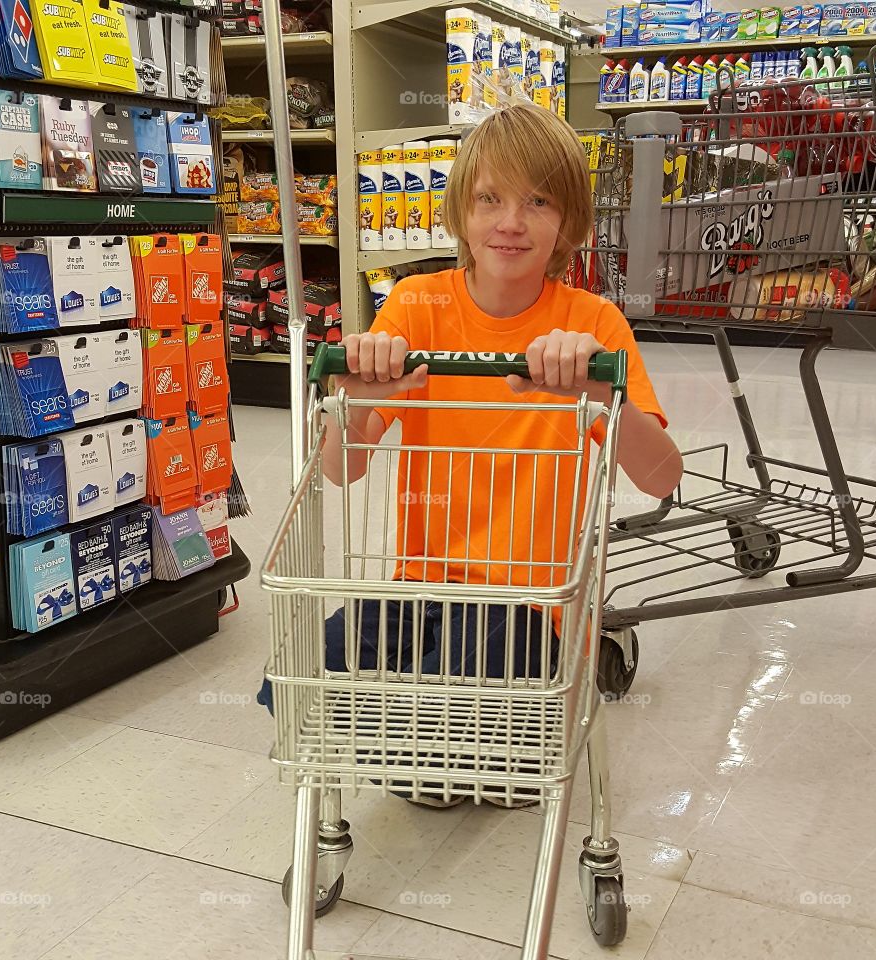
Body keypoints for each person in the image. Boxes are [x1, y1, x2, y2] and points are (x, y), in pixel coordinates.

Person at [258, 103, 683, 807]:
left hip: (531, 601)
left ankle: (460, 746)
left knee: (470, 667)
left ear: (569, 223)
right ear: (458, 211)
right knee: (304, 677)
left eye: (537, 201)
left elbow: (662, 475)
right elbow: (340, 467)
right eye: (489, 198)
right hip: (420, 584)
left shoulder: (592, 324)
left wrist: (605, 395)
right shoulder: (417, 306)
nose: (510, 221)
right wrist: (364, 391)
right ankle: (449, 750)